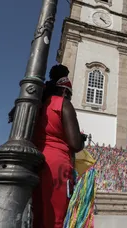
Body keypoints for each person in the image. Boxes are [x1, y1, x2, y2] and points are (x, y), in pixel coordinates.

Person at [31, 65, 86, 228]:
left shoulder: (40, 105)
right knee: (57, 216)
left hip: (37, 162)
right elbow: (75, 143)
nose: (69, 98)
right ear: (64, 91)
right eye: (69, 94)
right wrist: (82, 138)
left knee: (39, 216)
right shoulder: (63, 104)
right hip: (57, 166)